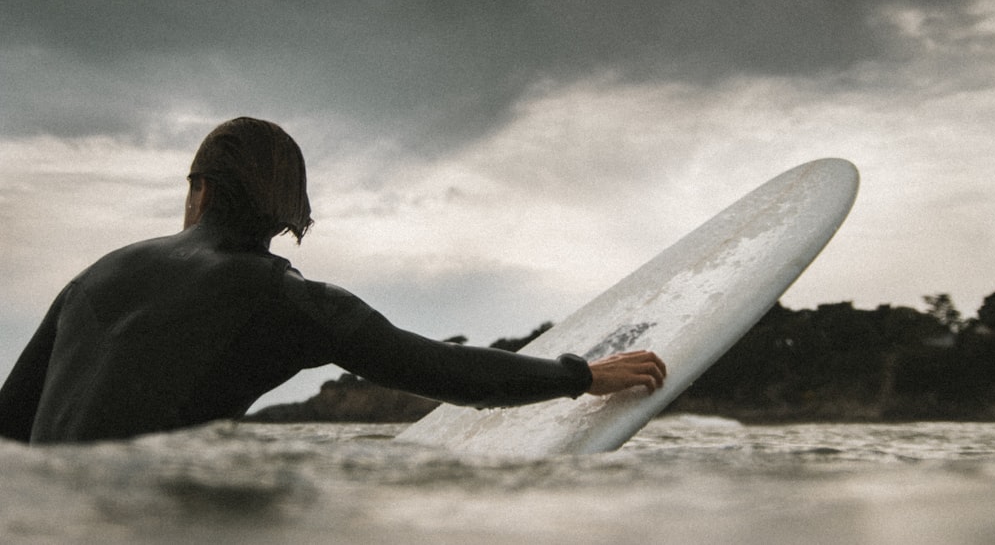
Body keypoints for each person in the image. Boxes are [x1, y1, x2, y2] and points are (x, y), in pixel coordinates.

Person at [0, 117, 666, 444]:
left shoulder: (96, 274)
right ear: (289, 213)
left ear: (199, 191)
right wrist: (581, 375)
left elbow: (7, 428)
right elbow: (446, 371)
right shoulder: (288, 301)